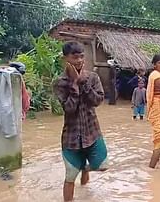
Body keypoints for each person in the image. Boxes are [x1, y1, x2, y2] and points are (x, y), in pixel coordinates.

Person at [53, 41, 108, 201]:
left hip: (92, 133)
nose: (79, 60)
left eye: (81, 56)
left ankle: (84, 167)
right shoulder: (60, 82)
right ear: (65, 59)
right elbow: (69, 109)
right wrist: (75, 86)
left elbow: (97, 101)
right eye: (74, 57)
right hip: (71, 137)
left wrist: (83, 83)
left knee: (103, 166)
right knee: (70, 176)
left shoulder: (92, 77)